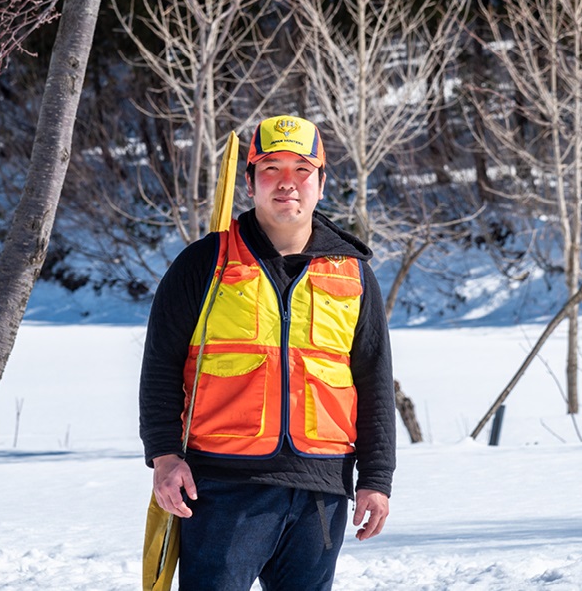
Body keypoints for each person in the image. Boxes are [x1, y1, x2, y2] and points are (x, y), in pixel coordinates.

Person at [139, 115, 395, 591]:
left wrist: (376, 479)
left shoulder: (354, 274)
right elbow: (159, 368)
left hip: (322, 491)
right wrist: (164, 457)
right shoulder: (205, 263)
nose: (287, 183)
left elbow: (374, 382)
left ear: (321, 182)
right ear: (251, 181)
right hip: (220, 487)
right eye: (271, 168)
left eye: (302, 170)